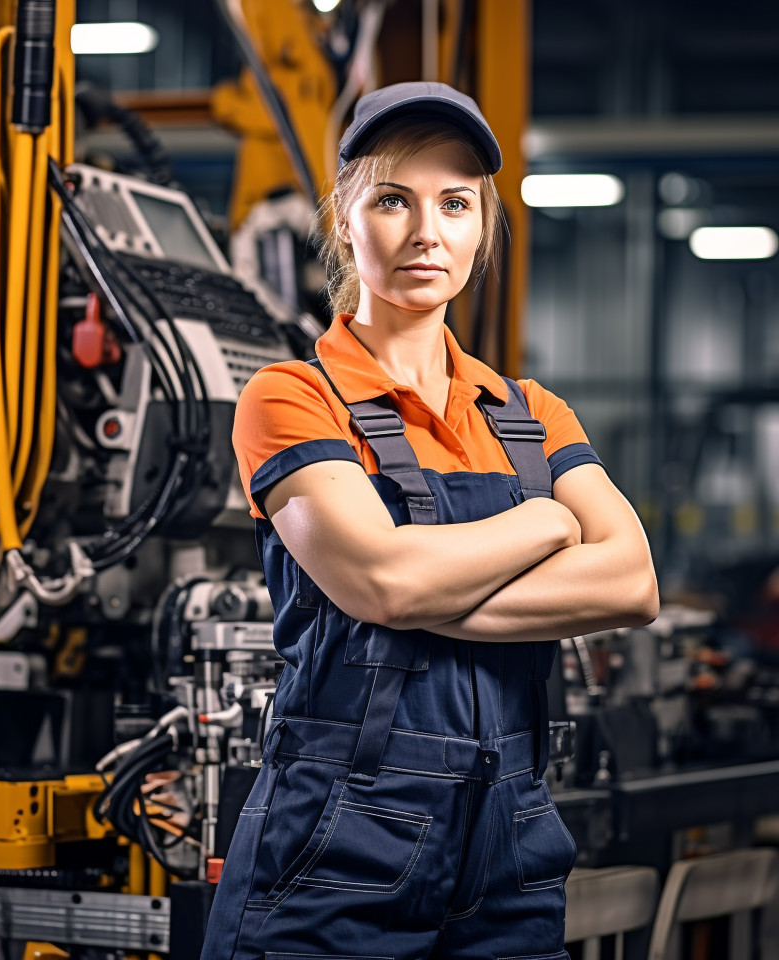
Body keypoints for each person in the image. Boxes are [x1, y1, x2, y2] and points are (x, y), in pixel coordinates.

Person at [201, 81, 659, 960]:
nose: (426, 231)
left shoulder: (529, 413)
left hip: (513, 836)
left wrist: (419, 591)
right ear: (345, 223)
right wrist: (546, 527)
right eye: (391, 201)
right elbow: (383, 582)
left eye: (454, 203)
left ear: (481, 228)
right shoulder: (292, 398)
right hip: (340, 838)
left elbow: (632, 582)